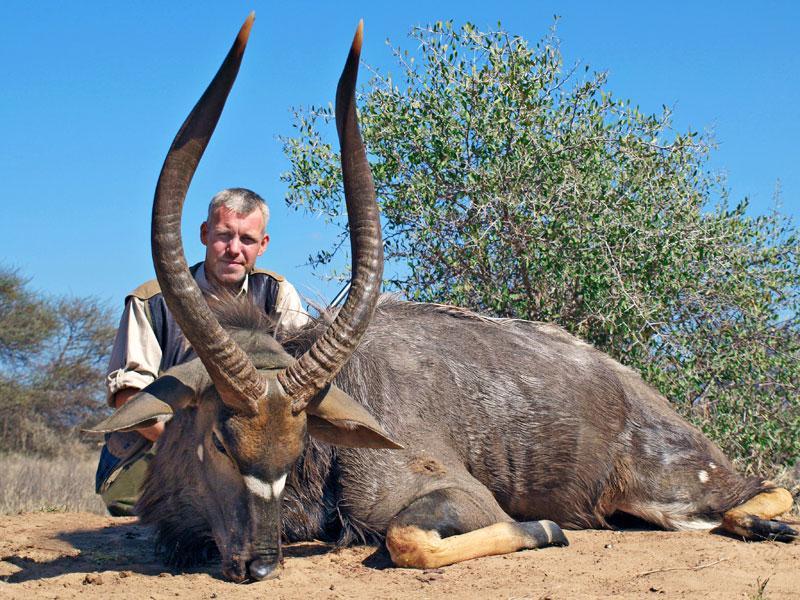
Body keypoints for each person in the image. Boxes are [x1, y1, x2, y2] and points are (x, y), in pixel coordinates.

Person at [96, 188, 310, 516]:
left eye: (247, 240)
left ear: (263, 245)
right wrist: (194, 452)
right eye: (224, 236)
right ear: (205, 234)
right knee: (143, 509)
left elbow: (298, 388)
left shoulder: (277, 294)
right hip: (169, 441)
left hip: (250, 445)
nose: (234, 249)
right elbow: (129, 394)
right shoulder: (153, 301)